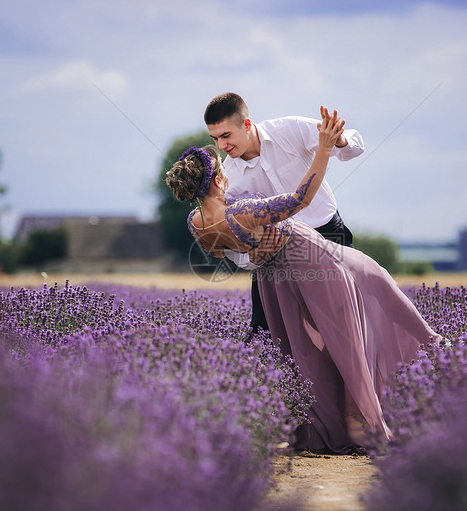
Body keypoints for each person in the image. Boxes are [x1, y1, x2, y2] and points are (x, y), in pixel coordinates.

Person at [166, 107, 441, 455]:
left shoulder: (196, 222)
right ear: (219, 181)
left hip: (273, 277)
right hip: (310, 254)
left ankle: (325, 428)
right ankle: (426, 356)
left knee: (304, 352)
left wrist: (251, 245)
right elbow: (300, 199)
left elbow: (221, 254)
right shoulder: (240, 212)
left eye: (224, 137)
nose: (222, 149)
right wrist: (324, 150)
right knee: (368, 298)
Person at [204, 93, 364, 339]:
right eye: (215, 138)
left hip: (329, 234)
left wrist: (338, 139)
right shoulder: (229, 179)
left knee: (354, 319)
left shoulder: (290, 129)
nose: (221, 146)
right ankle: (257, 376)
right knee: (263, 332)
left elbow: (353, 148)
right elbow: (234, 239)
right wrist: (253, 257)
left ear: (246, 124)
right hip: (277, 250)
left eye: (226, 135)